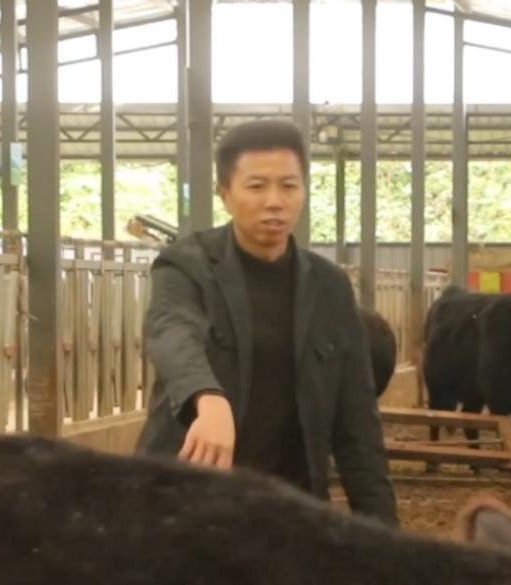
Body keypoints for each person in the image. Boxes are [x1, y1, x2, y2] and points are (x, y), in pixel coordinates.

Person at [136, 118, 399, 530]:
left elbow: (357, 427)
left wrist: (387, 537)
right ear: (226, 194)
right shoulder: (186, 266)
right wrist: (208, 397)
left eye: (289, 186)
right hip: (189, 506)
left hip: (290, 508)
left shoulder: (329, 287)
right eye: (256, 186)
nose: (274, 201)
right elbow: (173, 332)